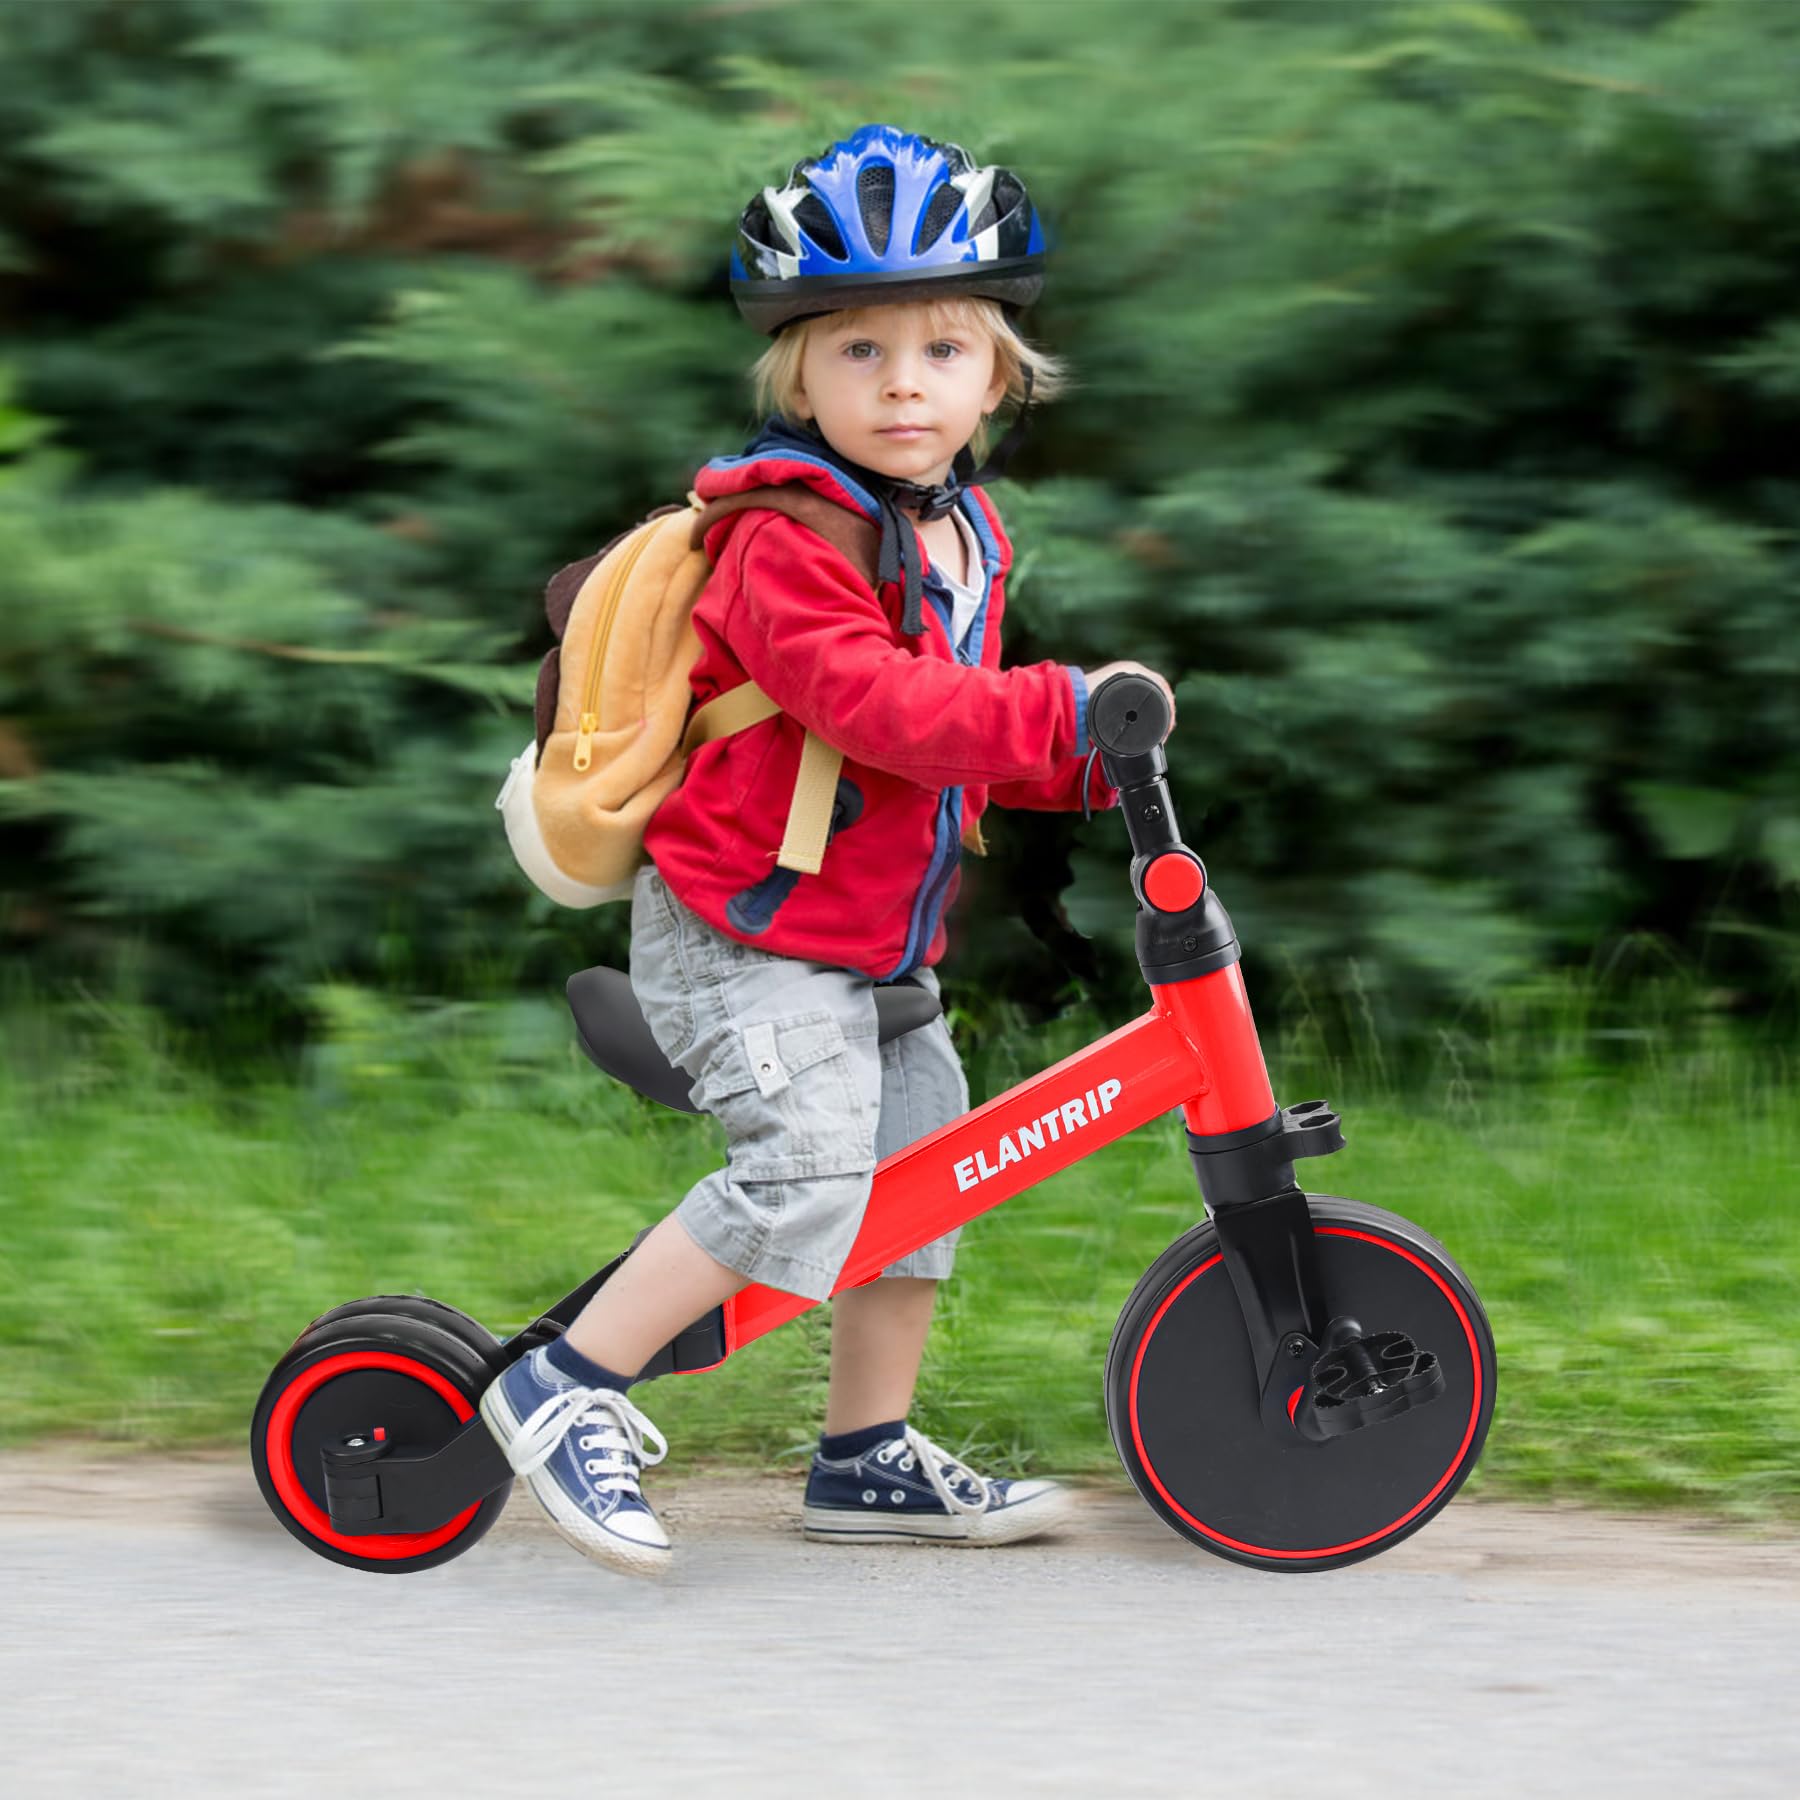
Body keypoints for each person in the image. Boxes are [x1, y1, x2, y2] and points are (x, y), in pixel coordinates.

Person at [479, 124, 1176, 1575]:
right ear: (796, 374)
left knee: (928, 1168)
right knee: (805, 1168)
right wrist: (1056, 714)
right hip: (742, 930)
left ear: (1001, 375)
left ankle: (866, 1457)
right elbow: (868, 701)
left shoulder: (957, 527)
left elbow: (941, 737)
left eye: (942, 349)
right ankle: (560, 1386)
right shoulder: (786, 536)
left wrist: (1085, 764)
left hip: (865, 931)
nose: (904, 381)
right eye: (858, 351)